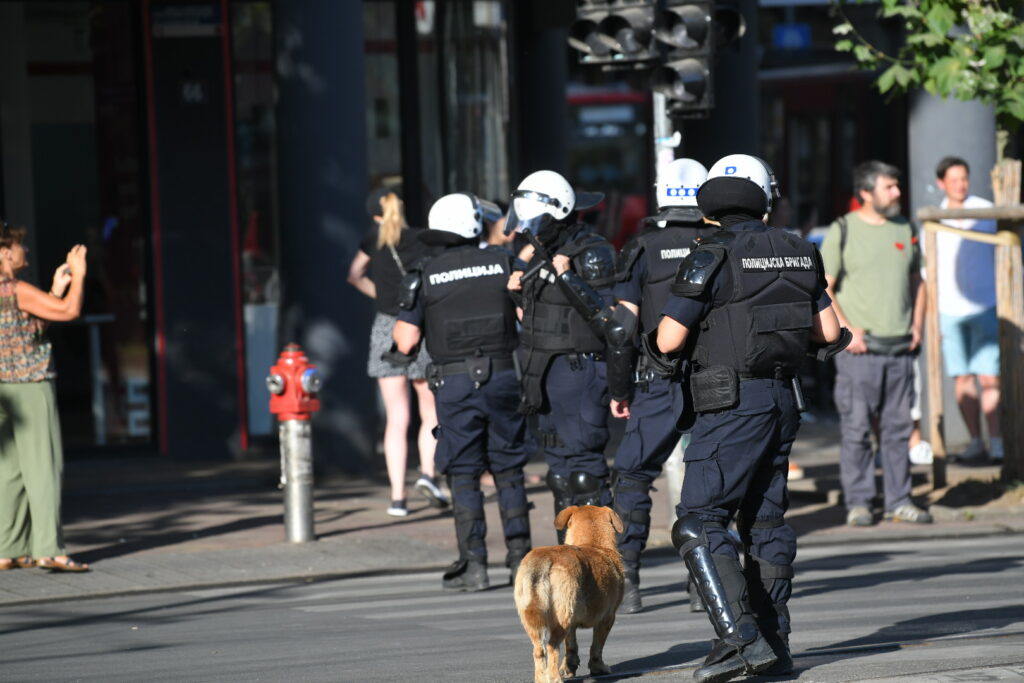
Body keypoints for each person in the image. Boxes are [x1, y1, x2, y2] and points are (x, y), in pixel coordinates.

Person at [654, 154, 843, 682]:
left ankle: (738, 638)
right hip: (783, 401)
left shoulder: (709, 253)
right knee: (766, 523)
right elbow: (828, 334)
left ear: (711, 204)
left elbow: (669, 338)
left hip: (729, 404)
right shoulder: (801, 250)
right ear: (764, 198)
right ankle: (777, 645)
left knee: (699, 520)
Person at [392, 193, 532, 591]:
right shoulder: (506, 262)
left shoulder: (425, 273)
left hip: (454, 385)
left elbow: (404, 342)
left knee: (464, 473)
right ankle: (522, 563)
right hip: (505, 376)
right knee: (508, 470)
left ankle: (474, 566)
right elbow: (529, 315)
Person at [609, 158, 711, 614]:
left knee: (632, 474)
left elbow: (621, 329)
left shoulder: (641, 247)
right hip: (713, 378)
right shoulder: (716, 241)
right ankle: (703, 581)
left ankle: (628, 580)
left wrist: (618, 390)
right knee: (710, 475)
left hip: (658, 380)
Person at [505, 170, 617, 538]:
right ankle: (568, 558)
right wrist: (518, 291)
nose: (529, 230)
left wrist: (569, 278)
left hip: (579, 371)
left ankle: (598, 558)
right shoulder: (540, 253)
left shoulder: (591, 250)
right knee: (559, 475)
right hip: (544, 374)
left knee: (585, 472)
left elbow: (608, 319)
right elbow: (539, 316)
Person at [821, 161, 933, 526]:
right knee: (856, 429)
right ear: (866, 193)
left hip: (900, 347)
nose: (897, 192)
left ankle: (899, 499)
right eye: (889, 187)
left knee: (899, 428)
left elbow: (918, 281)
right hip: (859, 353)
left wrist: (917, 325)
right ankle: (859, 503)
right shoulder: (843, 230)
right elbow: (823, 288)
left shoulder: (905, 228)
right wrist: (847, 330)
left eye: (896, 185)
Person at [347, 187, 447, 517]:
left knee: (396, 417)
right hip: (416, 325)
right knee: (428, 411)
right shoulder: (419, 238)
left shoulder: (370, 239)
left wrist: (379, 295)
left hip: (385, 329)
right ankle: (428, 477)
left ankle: (397, 498)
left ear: (374, 213)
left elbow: (353, 275)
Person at [0, 223, 90, 573]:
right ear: (5, 252)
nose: (27, 252)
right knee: (44, 467)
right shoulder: (15, 288)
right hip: (30, 385)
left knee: (11, 471)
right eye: (21, 246)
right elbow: (69, 312)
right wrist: (79, 276)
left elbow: (29, 329)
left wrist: (54, 289)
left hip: (3, 387)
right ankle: (49, 549)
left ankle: (8, 549)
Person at [933, 156, 1001, 464]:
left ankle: (997, 441)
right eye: (954, 179)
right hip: (949, 308)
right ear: (941, 183)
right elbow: (927, 269)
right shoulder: (935, 216)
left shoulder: (987, 210)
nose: (961, 184)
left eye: (964, 178)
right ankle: (975, 440)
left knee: (990, 378)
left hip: (986, 303)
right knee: (962, 378)